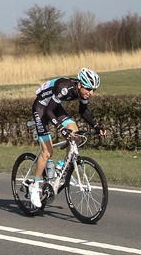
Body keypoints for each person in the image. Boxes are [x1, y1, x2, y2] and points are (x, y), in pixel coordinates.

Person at [28, 68, 106, 208]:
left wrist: (96, 126)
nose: (91, 93)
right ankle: (34, 186)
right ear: (80, 85)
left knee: (75, 134)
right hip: (41, 107)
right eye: (89, 89)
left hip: (55, 106)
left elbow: (83, 112)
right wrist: (62, 129)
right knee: (47, 152)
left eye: (94, 90)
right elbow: (48, 112)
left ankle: (63, 168)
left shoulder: (83, 92)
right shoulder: (65, 89)